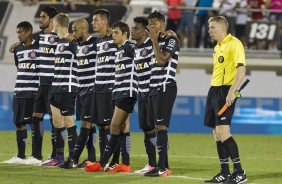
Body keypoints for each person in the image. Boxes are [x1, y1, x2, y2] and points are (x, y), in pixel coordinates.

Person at [84, 21, 137, 173]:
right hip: (118, 92)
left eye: (116, 33)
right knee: (119, 127)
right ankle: (123, 164)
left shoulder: (129, 47)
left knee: (114, 126)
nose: (113, 35)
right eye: (112, 33)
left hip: (127, 92)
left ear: (125, 34)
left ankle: (102, 163)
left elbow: (142, 57)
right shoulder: (119, 50)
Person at [204, 16, 247, 184]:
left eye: (212, 27)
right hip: (214, 90)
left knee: (223, 131)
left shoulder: (234, 43)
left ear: (222, 28)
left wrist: (232, 92)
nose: (209, 30)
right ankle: (224, 172)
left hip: (225, 91)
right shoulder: (217, 47)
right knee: (216, 133)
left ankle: (240, 172)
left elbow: (241, 69)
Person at [86, 9, 125, 171]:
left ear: (105, 22)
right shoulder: (97, 42)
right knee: (101, 125)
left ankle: (115, 160)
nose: (92, 23)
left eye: (95, 20)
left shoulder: (114, 39)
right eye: (92, 20)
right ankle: (104, 160)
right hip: (98, 88)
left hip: (111, 88)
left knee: (112, 126)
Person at [143, 10, 179, 177]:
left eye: (155, 23)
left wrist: (154, 40)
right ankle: (162, 165)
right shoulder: (152, 42)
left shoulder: (172, 39)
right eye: (150, 24)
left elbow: (162, 60)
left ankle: (162, 168)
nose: (152, 27)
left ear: (163, 24)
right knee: (156, 128)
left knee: (161, 126)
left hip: (166, 87)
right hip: (153, 88)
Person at [59, 19, 97, 169]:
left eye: (75, 30)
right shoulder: (77, 45)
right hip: (81, 90)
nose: (73, 33)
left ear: (84, 30)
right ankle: (91, 158)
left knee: (86, 125)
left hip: (92, 90)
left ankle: (73, 159)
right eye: (72, 30)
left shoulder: (95, 42)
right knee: (88, 125)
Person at [24, 6, 59, 165]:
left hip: (54, 85)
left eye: (43, 17)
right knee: (36, 117)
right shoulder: (39, 39)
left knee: (55, 121)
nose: (40, 19)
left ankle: (55, 155)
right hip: (41, 84)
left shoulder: (59, 37)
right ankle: (36, 155)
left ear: (52, 20)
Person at [42, 13, 78, 166]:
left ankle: (73, 158)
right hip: (55, 87)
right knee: (57, 123)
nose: (52, 25)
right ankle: (59, 157)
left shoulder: (72, 41)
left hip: (68, 86)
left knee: (69, 121)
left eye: (53, 22)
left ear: (56, 23)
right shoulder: (58, 42)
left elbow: (82, 58)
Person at [3, 21, 39, 164]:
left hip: (33, 91)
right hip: (19, 90)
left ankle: (35, 156)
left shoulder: (39, 47)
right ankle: (20, 155)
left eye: (21, 32)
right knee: (19, 123)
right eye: (17, 32)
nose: (18, 35)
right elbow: (20, 68)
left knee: (33, 123)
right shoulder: (17, 50)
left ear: (29, 32)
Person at [130, 16, 157, 175]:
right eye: (132, 28)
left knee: (158, 129)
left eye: (136, 28)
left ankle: (162, 164)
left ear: (145, 32)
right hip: (142, 92)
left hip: (154, 92)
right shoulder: (133, 49)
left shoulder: (152, 45)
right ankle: (152, 164)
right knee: (147, 129)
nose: (133, 31)